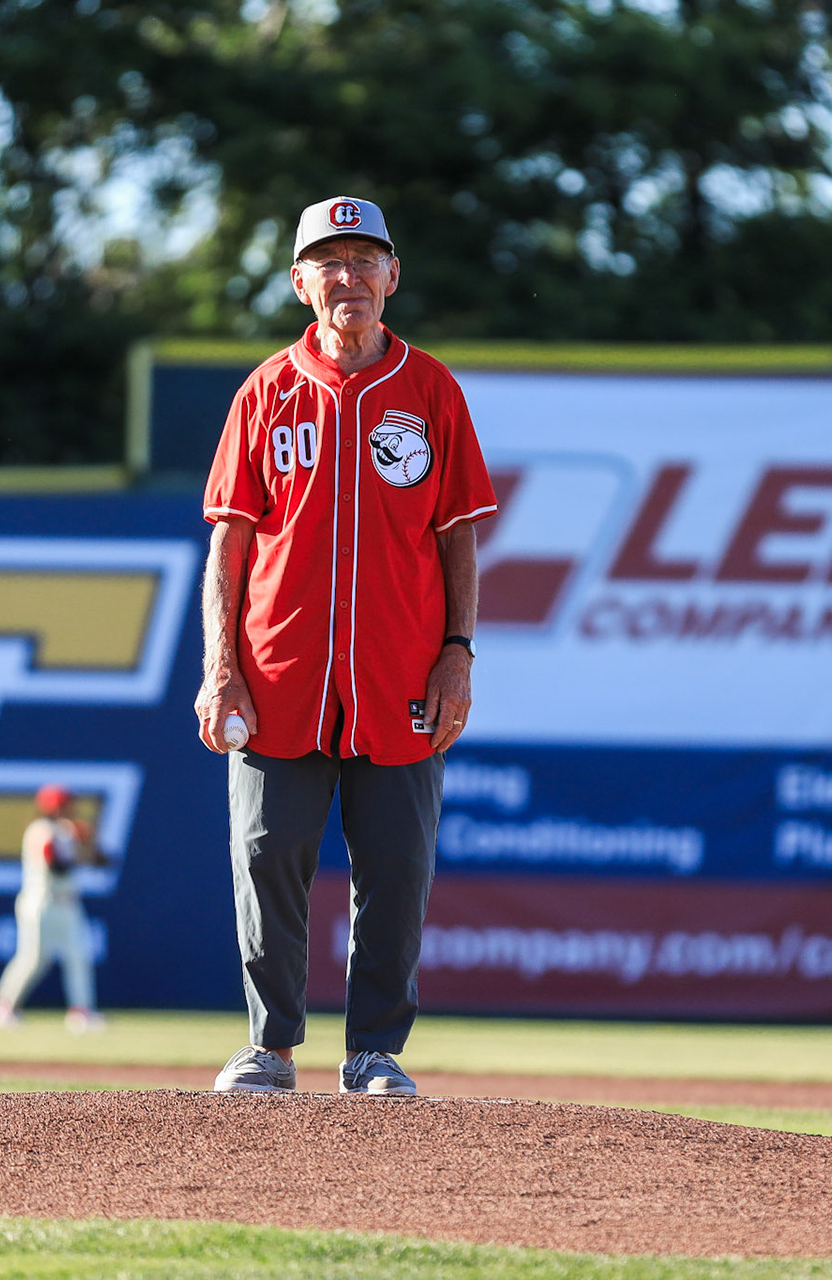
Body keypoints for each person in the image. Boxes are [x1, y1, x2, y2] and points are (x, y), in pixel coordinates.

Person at [195, 195, 498, 1096]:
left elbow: (458, 537)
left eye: (366, 257)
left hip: (400, 670)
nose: (349, 275)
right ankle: (270, 1045)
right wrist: (219, 670)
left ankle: (374, 1049)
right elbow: (230, 544)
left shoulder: (430, 389)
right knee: (266, 856)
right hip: (278, 673)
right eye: (330, 260)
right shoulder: (265, 392)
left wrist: (458, 651)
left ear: (393, 276)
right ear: (300, 282)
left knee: (397, 866)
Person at [0, 783, 109, 1033]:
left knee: (79, 956)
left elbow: (103, 861)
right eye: (64, 804)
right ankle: (1, 1006)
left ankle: (81, 1012)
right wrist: (81, 848)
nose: (70, 808)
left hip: (68, 903)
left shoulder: (68, 830)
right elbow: (56, 864)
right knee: (32, 959)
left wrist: (90, 845)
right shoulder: (41, 830)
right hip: (41, 902)